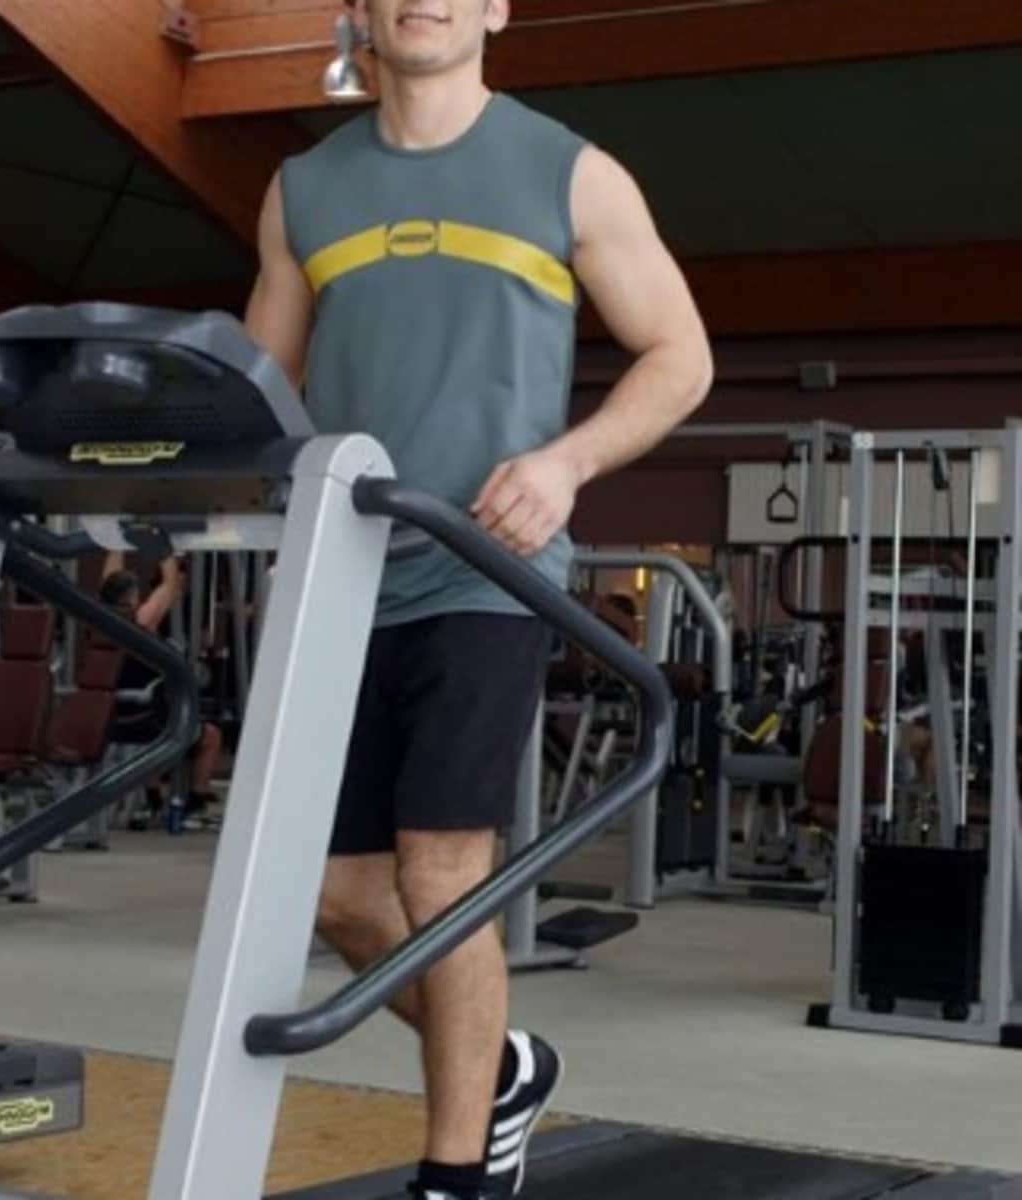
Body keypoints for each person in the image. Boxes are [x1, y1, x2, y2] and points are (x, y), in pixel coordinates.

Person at [245, 3, 713, 1196]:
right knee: (341, 897)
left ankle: (457, 1175)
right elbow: (262, 389)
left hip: (487, 570)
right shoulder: (302, 190)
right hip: (346, 574)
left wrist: (566, 464)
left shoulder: (570, 173)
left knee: (441, 875)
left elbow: (680, 355)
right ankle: (502, 1065)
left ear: (497, 4)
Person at [99, 554, 223, 827]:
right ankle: (195, 801)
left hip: (113, 716)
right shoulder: (138, 624)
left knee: (160, 726)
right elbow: (170, 585)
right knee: (209, 736)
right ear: (133, 599)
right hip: (145, 721)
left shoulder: (99, 621)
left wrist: (115, 543)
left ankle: (153, 794)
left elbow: (109, 582)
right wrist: (166, 549)